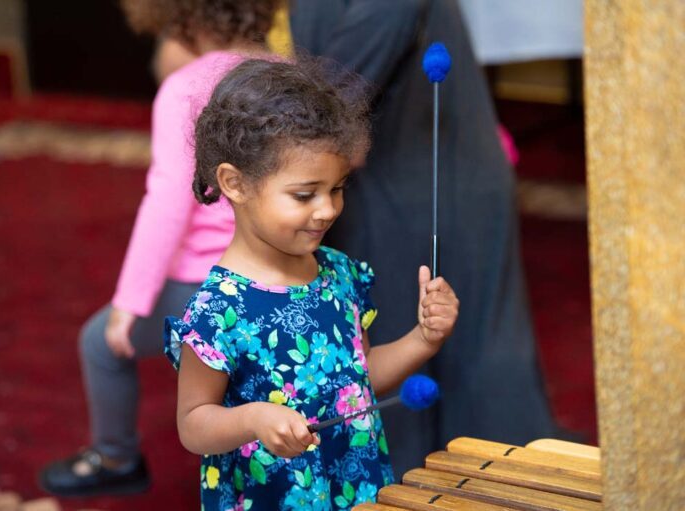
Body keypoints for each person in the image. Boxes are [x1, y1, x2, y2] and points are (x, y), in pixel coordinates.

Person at [165, 58, 459, 510]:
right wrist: (253, 419)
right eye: (304, 195)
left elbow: (356, 381)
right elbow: (193, 423)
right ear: (234, 183)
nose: (327, 209)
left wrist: (423, 339)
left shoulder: (339, 273)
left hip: (353, 488)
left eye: (337, 188)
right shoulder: (217, 310)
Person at [290, 0, 558, 478]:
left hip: (430, 180)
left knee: (466, 369)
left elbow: (329, 102)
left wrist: (261, 150)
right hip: (380, 174)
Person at [38, 0, 280, 497]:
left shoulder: (186, 87)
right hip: (280, 270)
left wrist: (130, 304)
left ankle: (115, 457)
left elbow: (170, 200)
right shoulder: (285, 73)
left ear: (181, 18)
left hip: (209, 281)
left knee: (99, 344)